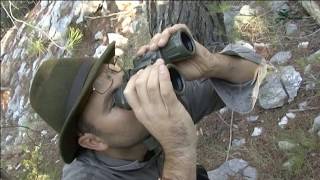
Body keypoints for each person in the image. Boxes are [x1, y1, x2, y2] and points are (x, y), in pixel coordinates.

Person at [29, 24, 266, 180]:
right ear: (93, 141)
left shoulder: (159, 109)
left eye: (124, 81)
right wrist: (179, 150)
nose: (135, 95)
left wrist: (212, 65)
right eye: (117, 101)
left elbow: (257, 74)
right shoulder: (86, 177)